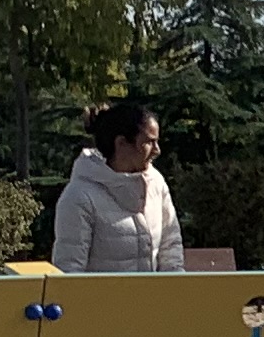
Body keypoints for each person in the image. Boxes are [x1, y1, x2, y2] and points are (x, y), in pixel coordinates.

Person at [52, 98, 187, 272]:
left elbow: (171, 247)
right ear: (121, 143)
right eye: (148, 142)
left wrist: (175, 284)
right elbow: (69, 270)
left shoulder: (156, 182)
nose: (157, 150)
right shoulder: (78, 197)